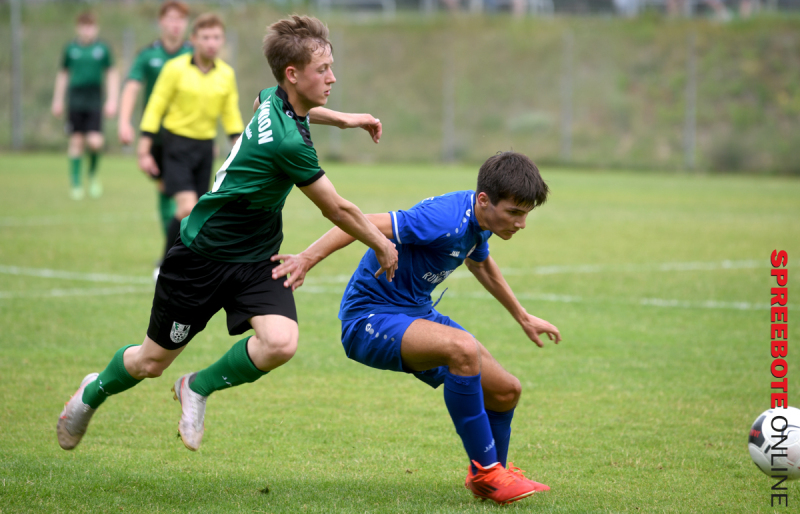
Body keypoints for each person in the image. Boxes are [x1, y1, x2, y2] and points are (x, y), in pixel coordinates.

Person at [56, 15, 398, 457]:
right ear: (293, 74)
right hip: (201, 257)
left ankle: (196, 388)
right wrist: (382, 243)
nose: (333, 77)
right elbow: (337, 208)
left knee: (281, 342)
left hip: (255, 259)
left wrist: (347, 120)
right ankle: (90, 394)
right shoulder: (288, 144)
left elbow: (303, 108)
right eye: (323, 70)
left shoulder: (272, 97)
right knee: (149, 362)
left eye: (332, 66)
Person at [271, 152, 561, 505]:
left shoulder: (477, 224)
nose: (522, 223)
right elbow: (358, 221)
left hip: (415, 314)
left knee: (505, 390)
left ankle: (494, 473)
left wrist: (522, 315)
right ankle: (486, 473)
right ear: (484, 200)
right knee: (463, 348)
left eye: (526, 213)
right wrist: (306, 258)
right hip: (370, 318)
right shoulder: (444, 219)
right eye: (515, 212)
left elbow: (481, 265)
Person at [136, 13, 244, 277]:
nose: (211, 43)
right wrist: (144, 148)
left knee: (197, 213)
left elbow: (231, 116)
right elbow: (156, 106)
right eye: (205, 37)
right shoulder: (175, 69)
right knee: (186, 207)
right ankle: (165, 265)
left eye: (216, 37)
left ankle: (188, 263)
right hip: (176, 146)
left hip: (205, 149)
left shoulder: (226, 75)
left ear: (223, 41)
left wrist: (242, 149)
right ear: (193, 39)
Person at [118, 1, 192, 260]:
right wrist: (124, 121)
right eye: (170, 19)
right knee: (166, 189)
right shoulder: (148, 55)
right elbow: (132, 86)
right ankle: (173, 248)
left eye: (180, 19)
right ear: (161, 22)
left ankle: (174, 250)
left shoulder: (194, 54)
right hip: (158, 136)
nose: (175, 24)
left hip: (188, 137)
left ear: (186, 24)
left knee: (184, 197)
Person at [51, 11, 119, 200]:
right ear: (78, 28)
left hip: (94, 99)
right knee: (76, 142)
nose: (87, 30)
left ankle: (93, 174)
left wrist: (112, 100)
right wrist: (57, 100)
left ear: (96, 28)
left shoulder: (102, 49)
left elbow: (111, 74)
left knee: (95, 142)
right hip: (75, 100)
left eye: (91, 26)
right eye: (84, 26)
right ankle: (76, 184)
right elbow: (63, 74)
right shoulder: (71, 49)